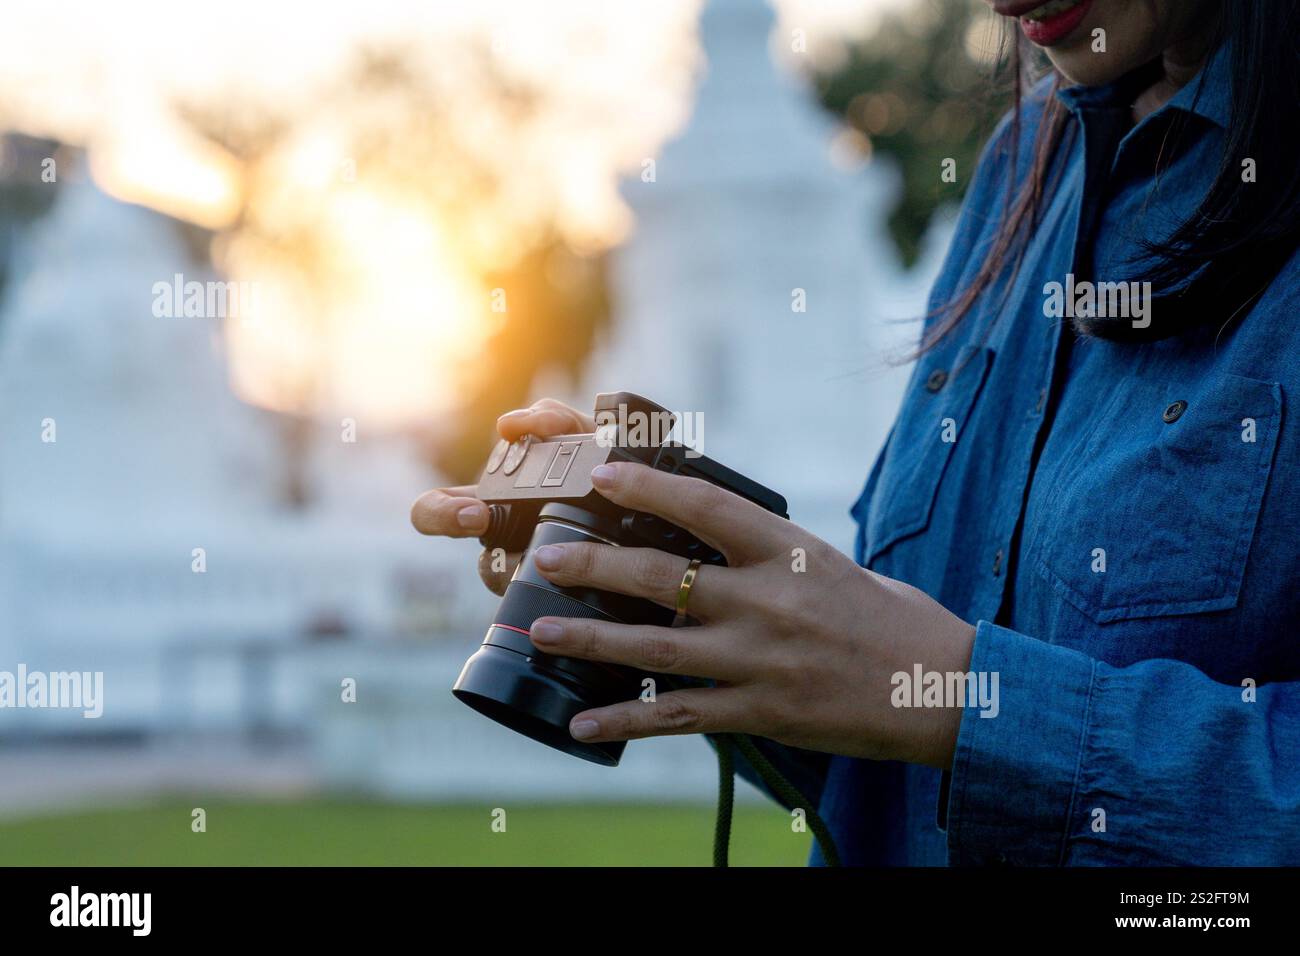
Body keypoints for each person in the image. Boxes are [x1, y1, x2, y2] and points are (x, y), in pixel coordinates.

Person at [412, 0, 1300, 865]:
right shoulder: (1023, 167)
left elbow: (940, 710)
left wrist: (962, 702)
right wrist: (677, 593)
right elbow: (900, 776)